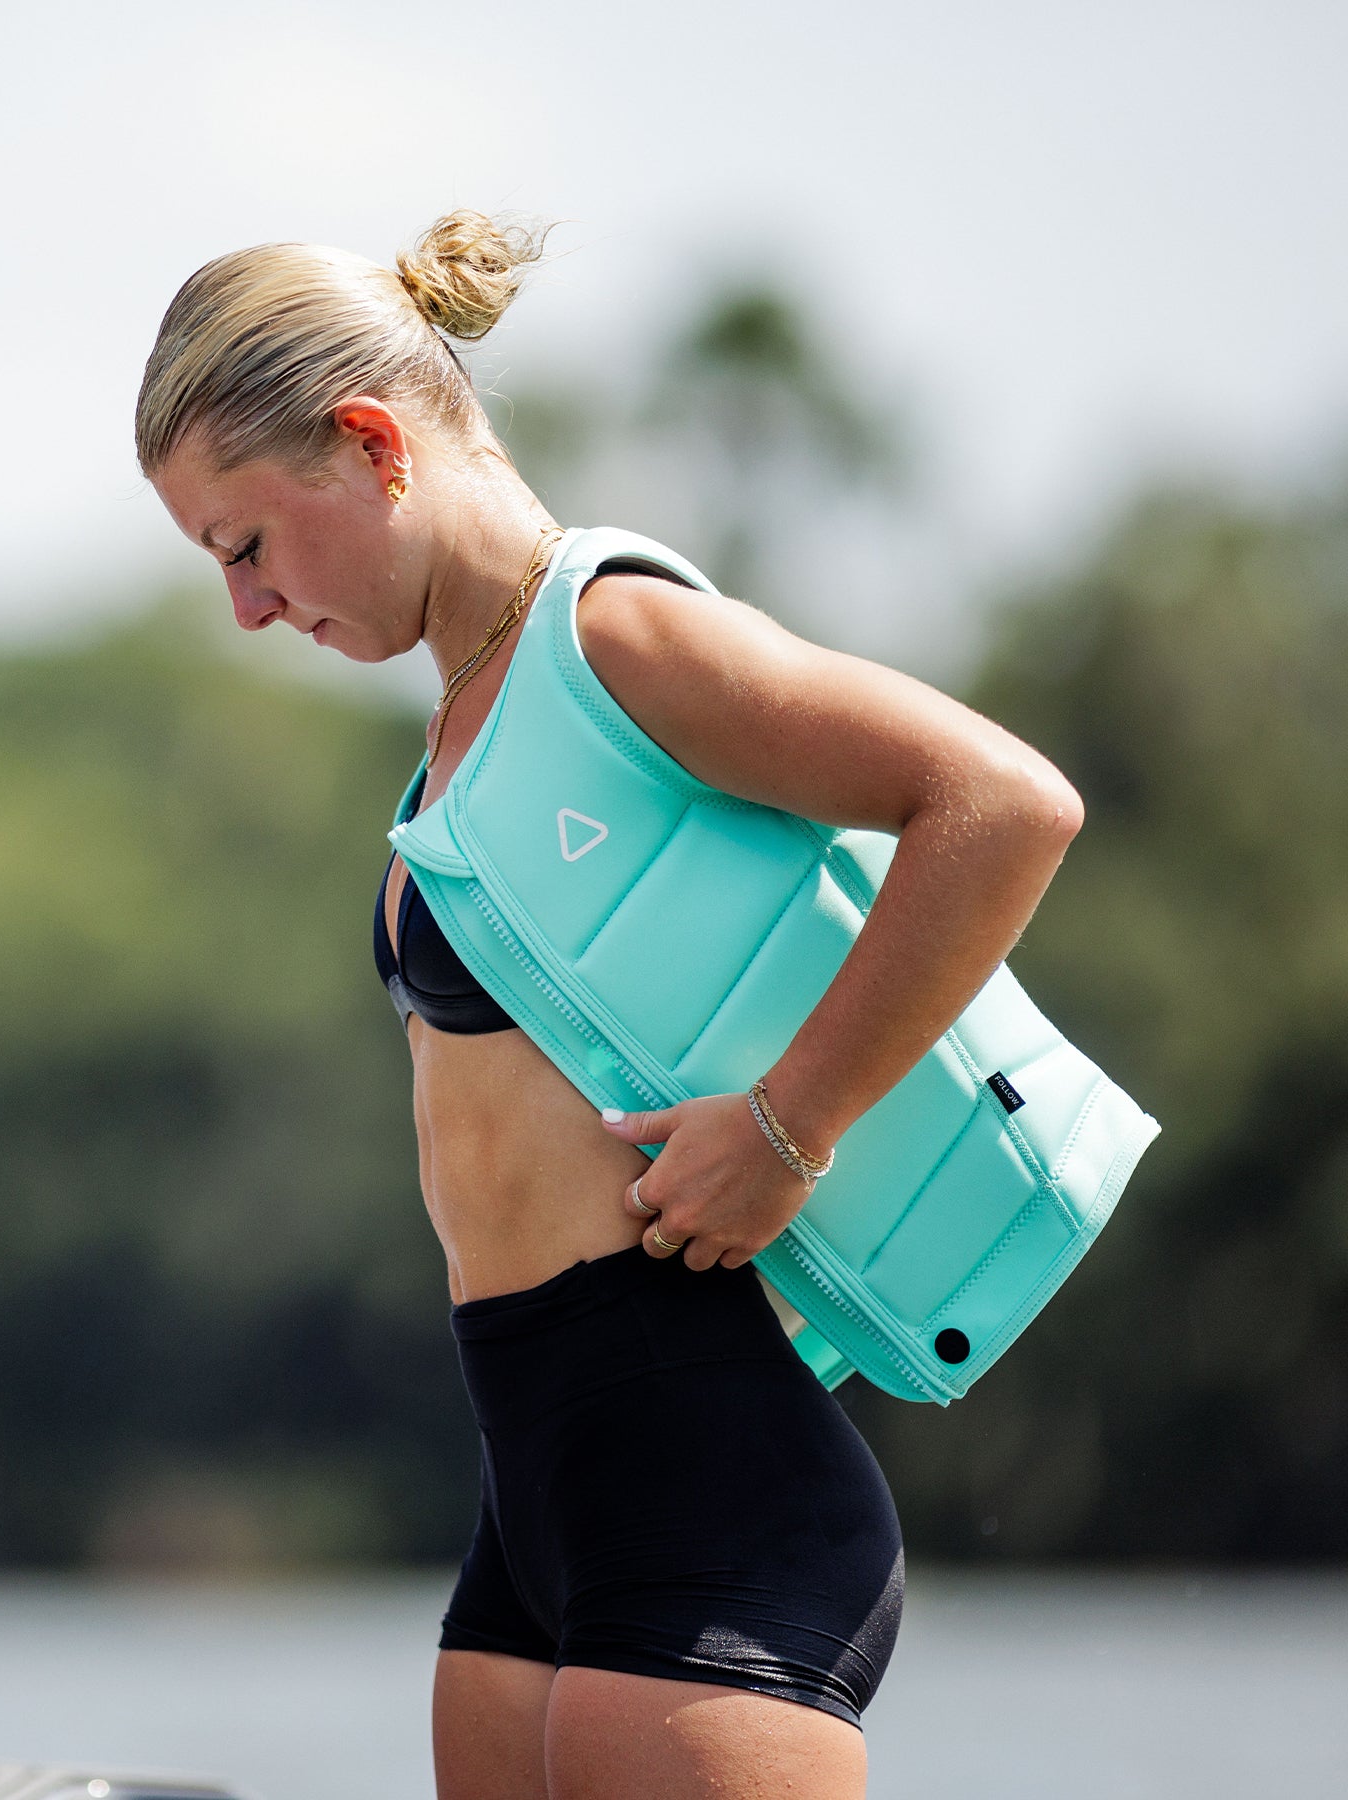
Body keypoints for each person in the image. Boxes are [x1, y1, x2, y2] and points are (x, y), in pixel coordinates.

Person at [137, 211, 1085, 1800]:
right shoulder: (462, 723)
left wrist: (790, 1126)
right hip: (534, 1506)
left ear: (371, 445)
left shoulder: (610, 634)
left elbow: (1001, 804)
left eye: (246, 546)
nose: (246, 606)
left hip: (708, 1501)